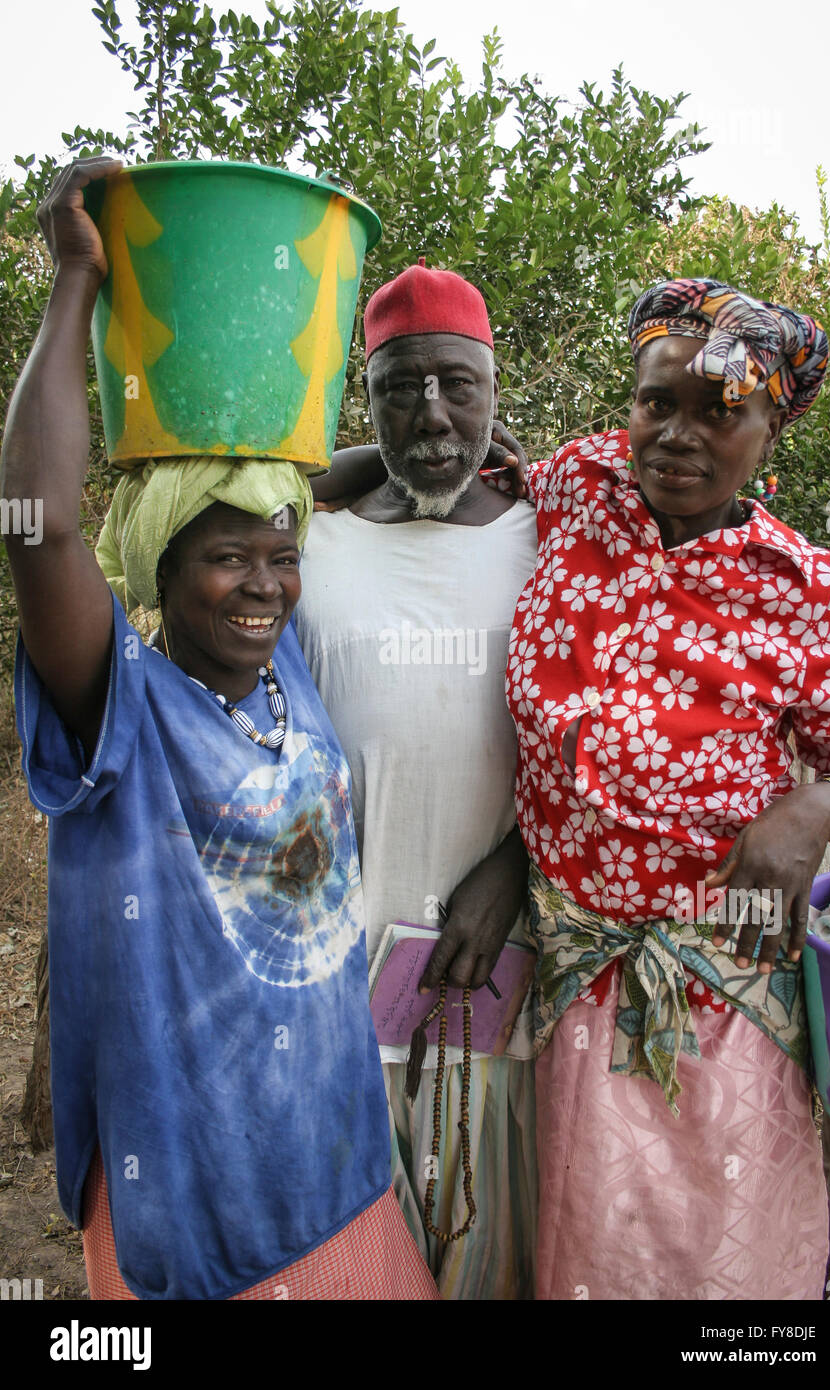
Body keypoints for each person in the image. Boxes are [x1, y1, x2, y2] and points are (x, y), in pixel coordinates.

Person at [0, 156, 438, 1300]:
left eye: (280, 557)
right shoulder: (122, 699)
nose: (260, 584)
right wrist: (76, 286)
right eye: (223, 557)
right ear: (159, 565)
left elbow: (300, 484)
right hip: (200, 1175)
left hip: (333, 1144)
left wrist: (449, 468)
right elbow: (39, 525)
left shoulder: (280, 657)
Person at [501, 278, 830, 1300]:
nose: (676, 434)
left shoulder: (804, 592)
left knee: (725, 1271)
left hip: (728, 995)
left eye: (719, 412)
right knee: (588, 1253)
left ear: (770, 425)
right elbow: (457, 479)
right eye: (655, 401)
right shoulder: (576, 487)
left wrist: (820, 806)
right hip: (573, 974)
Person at [294, 263, 539, 1298]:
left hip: (493, 996)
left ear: (494, 388)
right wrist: (341, 469)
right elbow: (238, 481)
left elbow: (608, 747)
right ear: (365, 396)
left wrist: (519, 865)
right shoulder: (307, 542)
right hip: (329, 1006)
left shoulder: (553, 539)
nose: (430, 413)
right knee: (355, 1274)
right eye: (398, 386)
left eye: (456, 384)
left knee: (485, 1260)